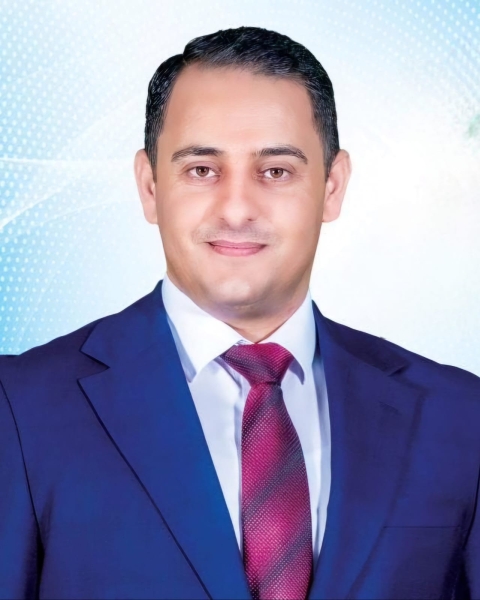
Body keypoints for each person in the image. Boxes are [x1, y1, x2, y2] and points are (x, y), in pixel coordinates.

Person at [0, 25, 478, 600]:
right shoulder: (20, 408)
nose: (236, 209)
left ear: (332, 186)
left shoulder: (458, 416)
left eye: (275, 171)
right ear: (150, 186)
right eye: (202, 169)